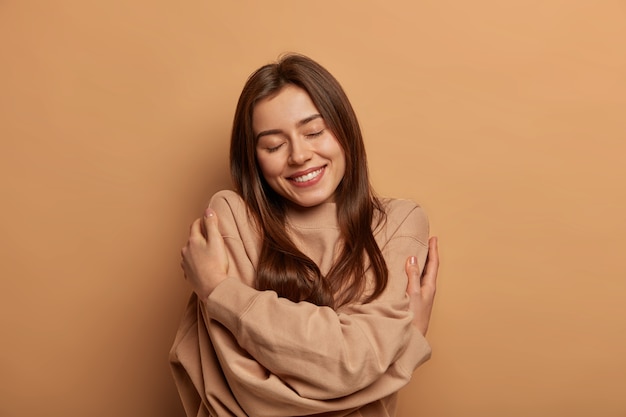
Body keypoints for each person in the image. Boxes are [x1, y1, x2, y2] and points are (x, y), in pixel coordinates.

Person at [170, 53, 439, 417]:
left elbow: (350, 362)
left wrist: (220, 292)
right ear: (253, 158)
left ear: (344, 129)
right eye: (273, 145)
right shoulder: (231, 217)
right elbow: (249, 392)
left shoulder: (398, 223)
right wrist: (403, 349)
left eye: (314, 132)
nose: (299, 155)